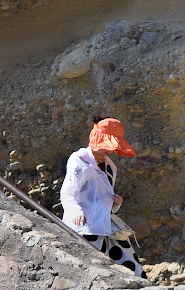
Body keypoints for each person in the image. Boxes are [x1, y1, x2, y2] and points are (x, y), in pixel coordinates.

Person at [60, 116, 147, 279]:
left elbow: (100, 197)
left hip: (106, 224)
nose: (109, 150)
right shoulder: (79, 160)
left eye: (111, 146)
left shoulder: (110, 166)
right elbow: (67, 192)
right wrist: (76, 211)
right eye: (106, 144)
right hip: (85, 227)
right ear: (96, 138)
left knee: (132, 268)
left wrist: (115, 204)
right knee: (91, 271)